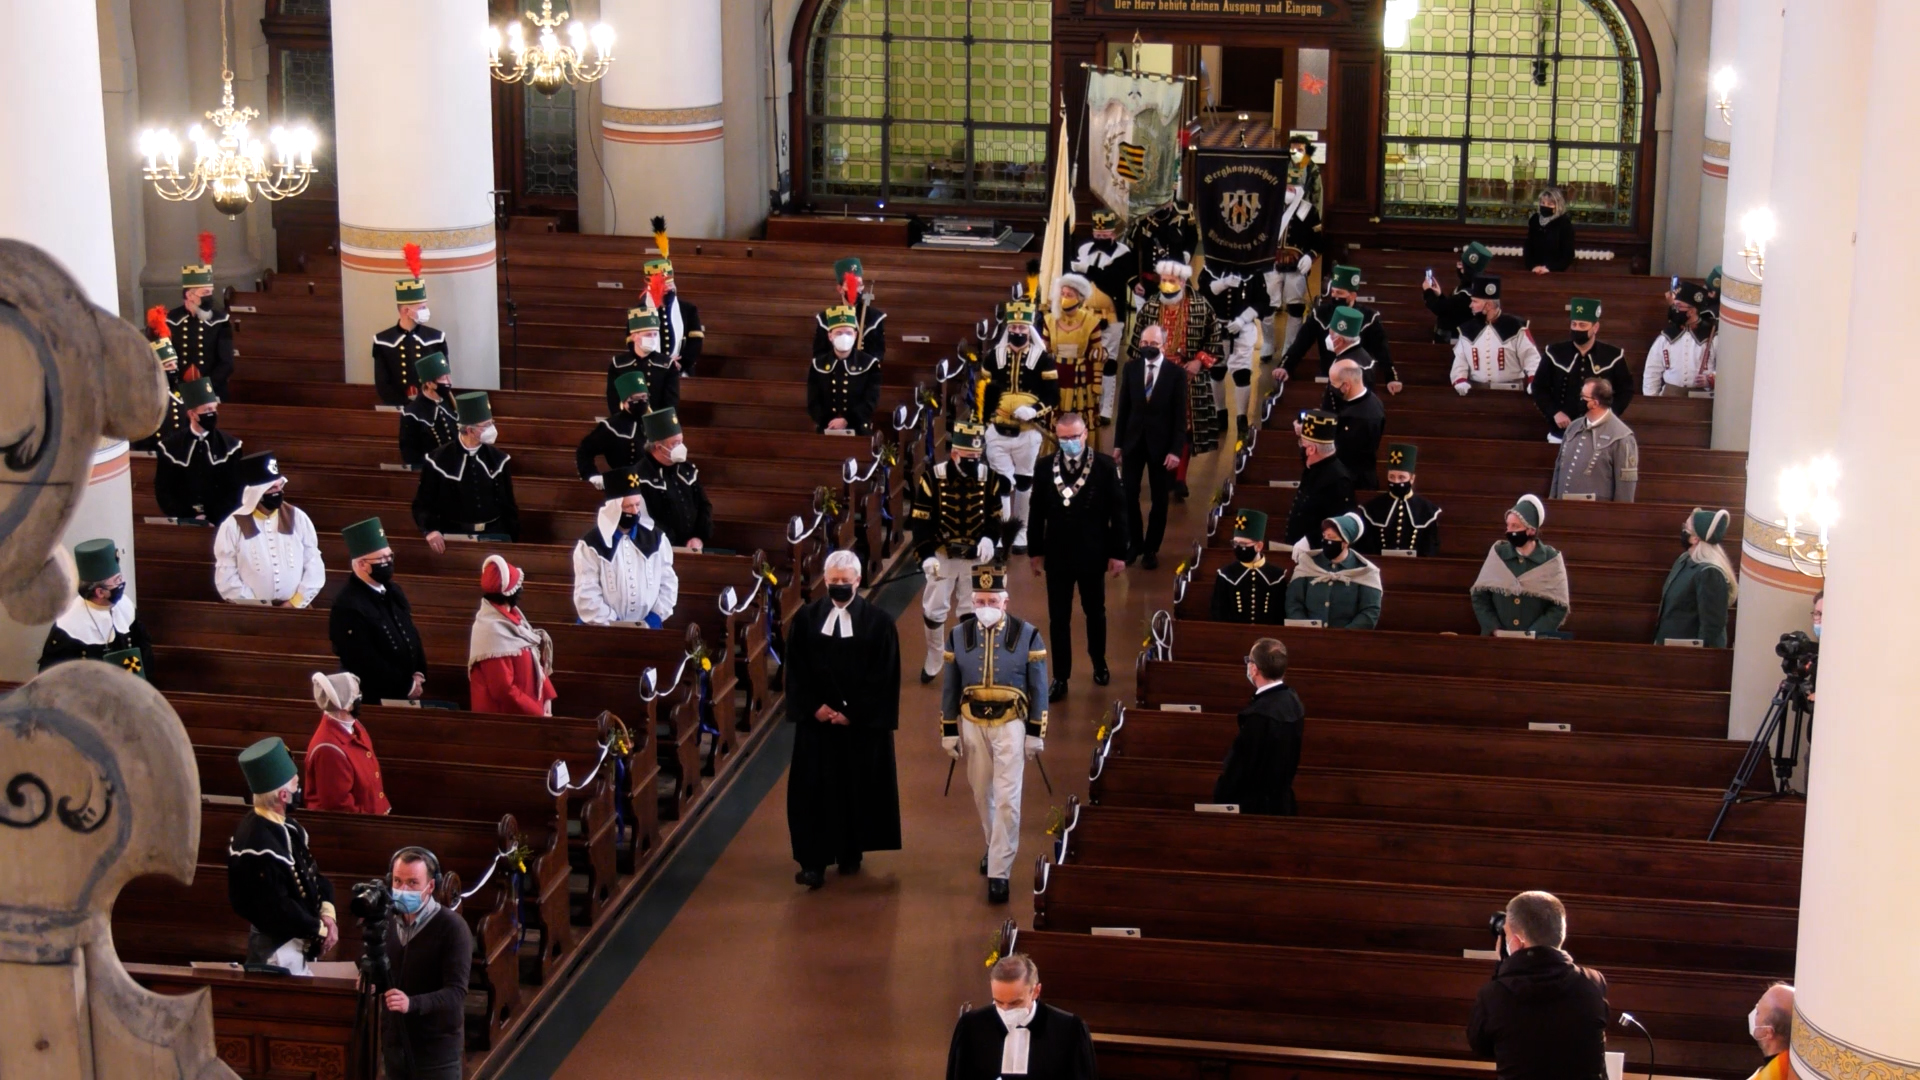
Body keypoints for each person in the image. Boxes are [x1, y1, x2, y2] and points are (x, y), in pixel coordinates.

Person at [785, 549, 902, 889]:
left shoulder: (879, 624)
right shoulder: (806, 620)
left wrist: (853, 713)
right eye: (832, 581)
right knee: (812, 792)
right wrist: (814, 707)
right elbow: (796, 671)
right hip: (817, 726)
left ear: (858, 581)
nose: (838, 586)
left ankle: (851, 851)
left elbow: (884, 675)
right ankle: (813, 863)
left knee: (855, 789)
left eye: (844, 581)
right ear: (824, 581)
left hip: (858, 729)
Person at [940, 565, 1048, 904]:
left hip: (1012, 726)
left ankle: (1000, 871)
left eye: (992, 600)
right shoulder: (958, 635)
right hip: (973, 726)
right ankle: (993, 844)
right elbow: (950, 686)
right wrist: (948, 730)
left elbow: (1039, 687)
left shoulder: (1028, 635)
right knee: (981, 793)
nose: (986, 606)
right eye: (980, 600)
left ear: (1005, 601)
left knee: (1007, 800)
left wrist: (1035, 732)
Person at [1026, 412, 1127, 699]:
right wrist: (1035, 552)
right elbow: (1036, 512)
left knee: (1095, 612)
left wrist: (1119, 553)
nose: (1070, 442)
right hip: (1057, 556)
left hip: (1093, 554)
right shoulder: (1045, 468)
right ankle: (1060, 676)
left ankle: (1099, 661)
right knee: (1059, 618)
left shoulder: (1105, 467)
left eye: (1074, 436)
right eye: (1064, 438)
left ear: (1085, 434)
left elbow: (1119, 513)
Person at [1466, 891, 1609, 1080]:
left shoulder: (1493, 995)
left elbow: (1481, 1046)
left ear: (1515, 942)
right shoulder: (1593, 982)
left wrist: (1503, 966)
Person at [908, 420, 1011, 681]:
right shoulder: (933, 478)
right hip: (943, 555)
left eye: (977, 456)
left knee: (971, 606)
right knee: (934, 608)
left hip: (976, 556)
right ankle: (935, 654)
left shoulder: (990, 479)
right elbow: (921, 521)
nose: (973, 461)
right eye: (968, 457)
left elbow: (995, 516)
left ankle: (967, 658)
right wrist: (927, 555)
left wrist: (989, 539)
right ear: (955, 454)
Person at [226, 737, 336, 974]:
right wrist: (319, 929)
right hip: (276, 951)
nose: (300, 790)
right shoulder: (257, 842)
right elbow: (277, 907)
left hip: (299, 941)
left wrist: (328, 914)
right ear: (283, 796)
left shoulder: (288, 827)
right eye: (296, 785)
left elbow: (313, 876)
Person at [381, 847, 473, 1080]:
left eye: (412, 883)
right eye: (398, 881)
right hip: (395, 1047)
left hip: (436, 1053)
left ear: (430, 886)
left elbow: (456, 992)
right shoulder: (386, 922)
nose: (403, 890)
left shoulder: (452, 928)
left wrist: (412, 1003)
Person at [982, 298, 1059, 551]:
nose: (1017, 332)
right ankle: (1005, 529)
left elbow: (1053, 396)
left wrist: (1034, 410)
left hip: (1028, 433)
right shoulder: (993, 357)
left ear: (1029, 329)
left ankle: (1022, 529)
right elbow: (983, 391)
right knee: (1002, 483)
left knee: (1025, 481)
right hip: (998, 431)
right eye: (1013, 328)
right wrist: (985, 421)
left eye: (1022, 328)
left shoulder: (1043, 360)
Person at [946, 954, 1097, 1080]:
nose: (1005, 1010)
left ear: (1036, 991)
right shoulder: (971, 1027)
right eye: (998, 1001)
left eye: (1015, 1003)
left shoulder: (1069, 1029)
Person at [1129, 260, 1223, 461]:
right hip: (1154, 373)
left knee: (1185, 425)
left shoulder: (1200, 305)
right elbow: (1137, 343)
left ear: (1182, 282)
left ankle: (1180, 477)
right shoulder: (1151, 306)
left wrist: (1199, 361)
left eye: (1171, 281)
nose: (1166, 285)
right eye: (1163, 280)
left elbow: (1214, 337)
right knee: (1156, 421)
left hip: (1187, 374)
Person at [329, 518, 429, 704]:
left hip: (407, 689)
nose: (388, 562)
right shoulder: (347, 605)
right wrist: (406, 685)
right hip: (375, 697)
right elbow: (362, 660)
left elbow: (411, 633)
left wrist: (419, 671)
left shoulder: (393, 591)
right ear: (361, 565)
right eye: (381, 559)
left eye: (389, 557)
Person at [1114, 323, 1189, 568]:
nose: (1147, 347)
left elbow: (1180, 417)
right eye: (1144, 343)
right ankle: (1134, 543)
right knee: (1128, 496)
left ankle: (1151, 549)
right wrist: (1118, 445)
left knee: (1160, 500)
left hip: (1163, 448)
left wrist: (1176, 451)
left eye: (1153, 344)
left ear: (1164, 345)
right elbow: (1123, 409)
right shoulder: (1131, 368)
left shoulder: (1176, 374)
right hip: (1133, 443)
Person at [214, 451, 326, 608]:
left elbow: (314, 564)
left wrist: (295, 603)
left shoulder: (297, 517)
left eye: (280, 486)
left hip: (296, 609)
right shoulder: (233, 525)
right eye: (272, 488)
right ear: (257, 493)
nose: (278, 491)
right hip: (251, 611)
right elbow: (226, 575)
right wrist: (257, 607)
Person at [413, 391, 518, 551]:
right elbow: (423, 503)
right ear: (469, 430)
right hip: (454, 536)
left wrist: (512, 538)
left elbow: (508, 505)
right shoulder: (437, 460)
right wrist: (431, 529)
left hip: (494, 534)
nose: (492, 428)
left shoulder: (499, 459)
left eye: (491, 422)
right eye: (486, 425)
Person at [573, 469, 679, 627]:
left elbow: (668, 583)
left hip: (648, 627)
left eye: (637, 505)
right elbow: (587, 593)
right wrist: (615, 625)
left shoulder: (657, 540)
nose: (635, 511)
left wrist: (653, 619)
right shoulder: (590, 545)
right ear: (613, 509)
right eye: (628, 507)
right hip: (603, 629)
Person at [1211, 637, 1305, 814]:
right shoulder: (1293, 702)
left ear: (1254, 669)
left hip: (1255, 809)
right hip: (1283, 804)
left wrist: (1219, 798)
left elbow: (1240, 767)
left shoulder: (1259, 716)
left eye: (1249, 660)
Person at [38, 538, 153, 674]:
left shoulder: (125, 606)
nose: (121, 583)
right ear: (99, 592)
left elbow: (143, 650)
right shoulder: (68, 626)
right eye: (117, 580)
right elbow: (53, 675)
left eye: (120, 578)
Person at [1534, 297, 1635, 443]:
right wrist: (1554, 413)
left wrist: (1608, 414)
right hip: (1561, 432)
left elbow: (1626, 390)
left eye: (1582, 325)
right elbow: (1539, 387)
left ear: (1595, 327)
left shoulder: (1613, 356)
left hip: (1600, 432)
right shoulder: (1554, 352)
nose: (1577, 329)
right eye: (1574, 324)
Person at [1280, 266, 1397, 391]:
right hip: (1328, 379)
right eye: (1333, 292)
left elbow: (1382, 350)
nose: (1335, 297)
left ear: (1352, 296)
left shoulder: (1370, 318)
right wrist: (1285, 366)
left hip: (1359, 382)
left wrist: (1391, 378)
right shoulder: (1320, 314)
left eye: (1340, 293)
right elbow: (1300, 344)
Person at [468, 555, 557, 716]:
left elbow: (533, 658)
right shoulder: (491, 631)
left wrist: (547, 696)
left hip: (528, 712)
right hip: (507, 722)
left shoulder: (513, 616)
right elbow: (503, 690)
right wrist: (537, 713)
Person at [1471, 496, 1570, 635]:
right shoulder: (1498, 553)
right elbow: (1479, 596)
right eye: (1508, 525)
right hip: (1497, 640)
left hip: (1536, 643)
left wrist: (1534, 633)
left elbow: (1559, 606)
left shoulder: (1551, 559)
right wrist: (1494, 629)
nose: (1509, 531)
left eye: (1515, 526)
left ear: (1531, 530)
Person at [1069, 210, 1133, 423]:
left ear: (1113, 234)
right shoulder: (1085, 249)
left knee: (1108, 361)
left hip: (1111, 315)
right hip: (1085, 314)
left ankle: (1105, 409)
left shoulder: (1123, 254)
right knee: (1085, 359)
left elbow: (1113, 280)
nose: (1101, 238)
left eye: (1105, 234)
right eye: (1098, 234)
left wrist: (1088, 269)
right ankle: (1088, 404)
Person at [1197, 265, 1272, 445]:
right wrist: (1221, 284)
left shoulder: (1254, 272)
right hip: (1215, 328)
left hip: (1242, 330)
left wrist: (1243, 319)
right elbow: (1202, 293)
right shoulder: (1209, 269)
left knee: (1242, 374)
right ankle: (1220, 412)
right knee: (1216, 371)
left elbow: (1263, 301)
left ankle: (1242, 419)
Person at [155, 377, 244, 524]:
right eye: (208, 410)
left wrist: (213, 517)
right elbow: (163, 490)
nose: (213, 413)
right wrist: (189, 516)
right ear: (192, 414)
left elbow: (236, 490)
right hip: (183, 522)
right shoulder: (169, 447)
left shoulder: (231, 446)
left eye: (214, 409)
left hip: (221, 522)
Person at [304, 671, 390, 815]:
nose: (360, 699)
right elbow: (340, 805)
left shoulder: (355, 726)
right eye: (357, 696)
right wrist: (375, 823)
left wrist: (381, 807)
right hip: (356, 829)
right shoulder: (328, 749)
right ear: (347, 706)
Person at [373, 245, 449, 407]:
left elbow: (443, 380)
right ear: (407, 311)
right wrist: (405, 404)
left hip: (430, 406)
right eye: (421, 308)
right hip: (397, 407)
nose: (425, 312)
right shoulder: (382, 341)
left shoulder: (436, 338)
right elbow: (382, 383)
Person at [1044, 274, 1115, 445]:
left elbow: (1097, 356)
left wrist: (1097, 385)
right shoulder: (1049, 320)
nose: (1064, 298)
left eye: (1069, 295)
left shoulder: (1091, 322)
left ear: (1080, 298)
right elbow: (1044, 353)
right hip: (1057, 378)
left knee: (1082, 419)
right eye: (1062, 293)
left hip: (1082, 381)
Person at [1655, 508, 1738, 648]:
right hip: (1668, 646)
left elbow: (1712, 628)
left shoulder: (1710, 573)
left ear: (1694, 538)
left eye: (1685, 527)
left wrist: (1702, 662)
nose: (1682, 530)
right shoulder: (1685, 559)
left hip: (1687, 654)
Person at [1286, 513, 1382, 629]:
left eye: (1331, 538)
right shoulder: (1308, 563)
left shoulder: (1365, 571)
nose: (1326, 541)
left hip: (1347, 641)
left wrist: (1342, 636)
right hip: (1308, 637)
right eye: (1324, 536)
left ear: (1345, 542)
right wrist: (1307, 629)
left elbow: (1369, 612)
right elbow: (1294, 603)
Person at [635, 408, 713, 552]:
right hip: (659, 549)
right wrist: (671, 543)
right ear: (658, 447)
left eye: (681, 441)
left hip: (694, 548)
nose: (681, 447)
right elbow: (644, 519)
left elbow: (704, 505)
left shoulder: (687, 469)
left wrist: (698, 537)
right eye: (675, 443)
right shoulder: (640, 476)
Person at [1549, 379, 1639, 502]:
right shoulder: (1573, 427)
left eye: (1582, 397)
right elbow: (1559, 468)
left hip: (1597, 514)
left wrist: (1619, 518)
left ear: (1595, 403)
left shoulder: (1621, 436)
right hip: (1563, 507)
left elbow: (1625, 489)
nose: (1578, 400)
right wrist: (1553, 500)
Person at [1263, 178, 1323, 359]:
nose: (1288, 188)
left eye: (1292, 185)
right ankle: (1267, 343)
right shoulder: (1269, 208)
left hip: (1297, 268)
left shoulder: (1309, 210)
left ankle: (1289, 347)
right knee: (1267, 307)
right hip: (1271, 265)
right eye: (1286, 184)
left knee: (1295, 307)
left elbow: (1318, 241)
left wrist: (1310, 256)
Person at [170, 235, 235, 400]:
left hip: (211, 392)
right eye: (204, 293)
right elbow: (164, 361)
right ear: (190, 295)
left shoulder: (222, 321)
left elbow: (226, 363)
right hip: (179, 392)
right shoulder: (170, 320)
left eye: (210, 292)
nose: (209, 298)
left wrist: (204, 388)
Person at [1450, 276, 1541, 395]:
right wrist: (1460, 380)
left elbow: (1531, 357)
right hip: (1477, 393)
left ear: (1488, 305)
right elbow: (1460, 361)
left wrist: (1534, 381)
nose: (1470, 305)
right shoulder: (1467, 329)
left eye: (1475, 301)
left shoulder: (1516, 326)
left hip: (1512, 393)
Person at [808, 305, 883, 435]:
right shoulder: (818, 365)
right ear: (830, 336)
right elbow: (813, 401)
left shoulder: (870, 364)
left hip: (858, 429)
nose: (844, 337)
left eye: (848, 333)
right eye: (839, 333)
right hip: (826, 429)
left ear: (855, 335)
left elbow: (870, 401)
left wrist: (846, 420)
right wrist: (829, 422)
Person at [1357, 443, 1443, 557]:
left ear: (1412, 478)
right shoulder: (1371, 509)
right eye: (1391, 477)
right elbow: (1366, 546)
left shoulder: (1427, 510)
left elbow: (1430, 547)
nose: (1396, 482)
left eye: (1402, 477)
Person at [1284, 410, 1356, 544]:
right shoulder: (1313, 467)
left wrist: (1309, 541)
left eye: (1302, 444)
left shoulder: (1339, 480)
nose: (1300, 447)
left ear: (1311, 450)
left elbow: (1339, 526)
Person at [639, 232, 704, 377]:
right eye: (664, 287)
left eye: (671, 284)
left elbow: (695, 342)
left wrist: (680, 364)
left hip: (681, 371)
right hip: (649, 371)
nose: (670, 289)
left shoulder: (688, 309)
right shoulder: (640, 311)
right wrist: (660, 362)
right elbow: (634, 344)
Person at [1211, 509, 1287, 624]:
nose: (1237, 547)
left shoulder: (1277, 576)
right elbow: (1218, 614)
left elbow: (1280, 615)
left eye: (1243, 544)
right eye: (1235, 543)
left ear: (1259, 546)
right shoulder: (1225, 575)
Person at [1644, 281, 1716, 397]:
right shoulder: (1665, 337)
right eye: (1674, 306)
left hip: (1701, 397)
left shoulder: (1712, 336)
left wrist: (1711, 379)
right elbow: (1652, 371)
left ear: (1692, 311)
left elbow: (1726, 369)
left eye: (1678, 306)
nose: (1674, 310)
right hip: (1670, 395)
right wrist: (1651, 399)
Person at [1324, 354, 1386, 489]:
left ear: (1346, 385)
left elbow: (1343, 451)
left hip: (1354, 482)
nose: (1331, 388)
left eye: (1333, 383)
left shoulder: (1361, 417)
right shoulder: (1368, 398)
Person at [577, 369, 650, 482]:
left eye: (644, 397)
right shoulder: (612, 425)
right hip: (625, 485)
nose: (641, 401)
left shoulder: (654, 421)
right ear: (625, 402)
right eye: (636, 398)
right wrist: (592, 475)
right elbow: (584, 450)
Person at [609, 306, 681, 415]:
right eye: (648, 335)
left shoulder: (667, 364)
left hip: (657, 423)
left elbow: (671, 402)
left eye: (655, 334)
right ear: (634, 337)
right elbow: (613, 399)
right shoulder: (619, 364)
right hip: (626, 423)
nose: (653, 338)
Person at [814, 256, 887, 360]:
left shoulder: (874, 317)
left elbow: (878, 354)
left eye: (859, 285)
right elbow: (819, 354)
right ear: (840, 289)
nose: (857, 289)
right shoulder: (825, 318)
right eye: (851, 284)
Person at [1423, 241, 1492, 344]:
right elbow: (1451, 308)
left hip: (1456, 344)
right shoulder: (1470, 288)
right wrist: (1440, 295)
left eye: (1461, 265)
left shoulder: (1467, 295)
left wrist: (1428, 291)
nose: (1458, 267)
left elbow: (1441, 309)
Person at [398, 352, 459, 469]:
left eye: (448, 376)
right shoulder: (412, 413)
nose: (448, 382)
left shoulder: (451, 404)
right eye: (443, 378)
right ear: (429, 383)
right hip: (432, 471)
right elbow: (410, 454)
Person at [1744, 983, 1796, 1080]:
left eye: (1758, 1012)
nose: (1754, 1012)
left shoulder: (1775, 1075)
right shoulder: (1796, 1067)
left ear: (1768, 1032)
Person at [1523, 187, 1576, 273]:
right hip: (1534, 270)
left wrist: (1549, 268)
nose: (1545, 206)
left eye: (1550, 204)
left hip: (1555, 273)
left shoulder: (1563, 223)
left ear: (1558, 206)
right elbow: (1528, 247)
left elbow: (1568, 254)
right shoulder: (1535, 220)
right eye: (1543, 203)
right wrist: (1533, 266)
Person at [1286, 132, 1325, 214]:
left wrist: (1316, 220)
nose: (1296, 153)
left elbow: (1317, 197)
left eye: (1300, 150)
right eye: (1293, 150)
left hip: (1304, 213)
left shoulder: (1312, 170)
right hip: (1284, 211)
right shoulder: (1282, 167)